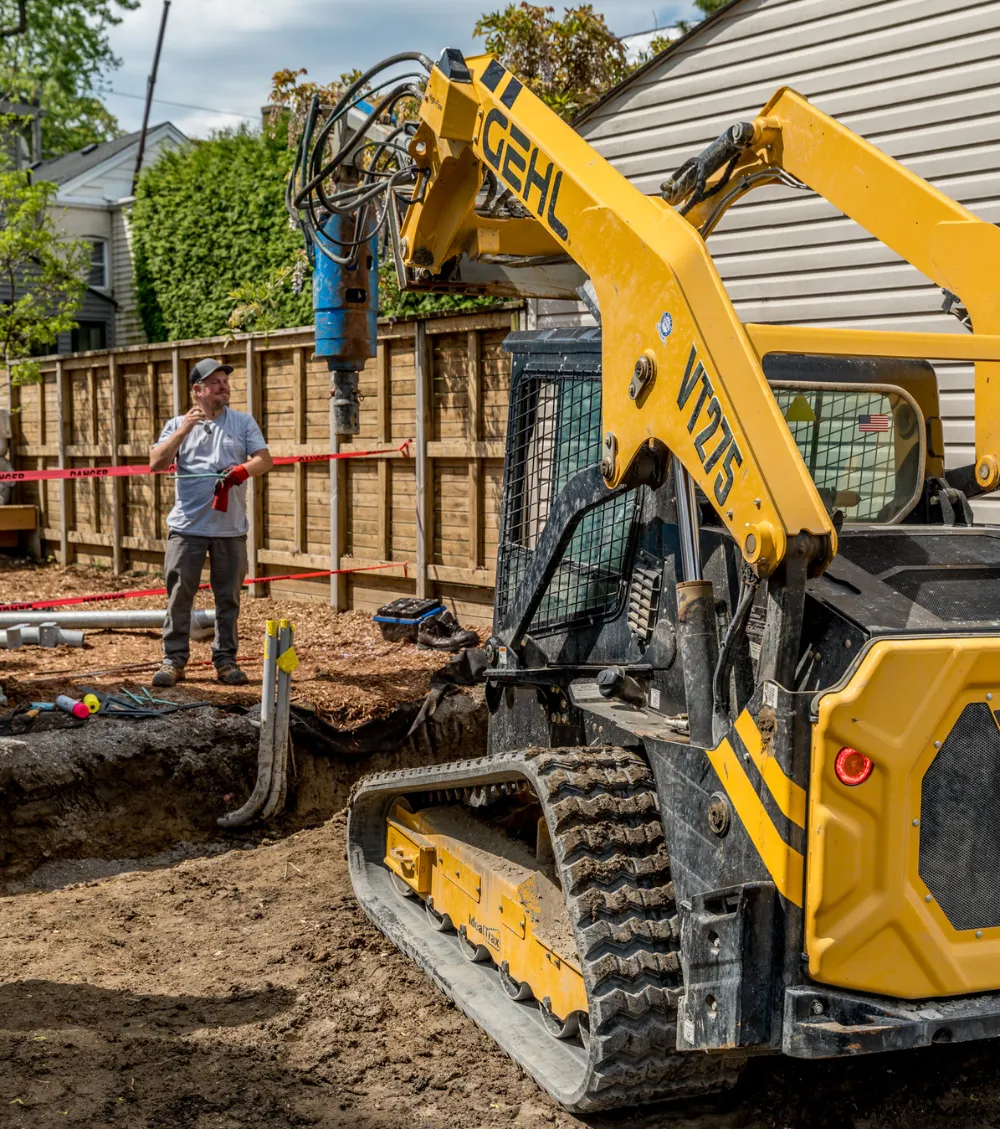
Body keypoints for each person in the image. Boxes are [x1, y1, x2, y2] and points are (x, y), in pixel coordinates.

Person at [148, 358, 272, 687]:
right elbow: (156, 462)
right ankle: (174, 660)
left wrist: (242, 471)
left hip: (230, 530)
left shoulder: (243, 423)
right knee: (179, 596)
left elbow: (265, 459)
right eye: (215, 382)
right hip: (186, 529)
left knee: (228, 598)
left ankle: (226, 661)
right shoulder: (177, 424)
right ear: (198, 390)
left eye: (224, 381)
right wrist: (184, 429)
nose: (223, 386)